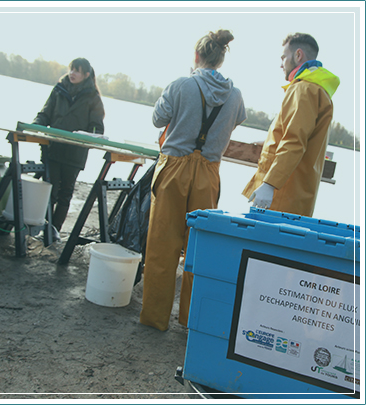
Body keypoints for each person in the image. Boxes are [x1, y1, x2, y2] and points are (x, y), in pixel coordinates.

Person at [140, 29, 247, 331]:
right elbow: (235, 120)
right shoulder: (236, 95)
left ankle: (155, 318)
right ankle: (190, 319)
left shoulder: (181, 85)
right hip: (208, 172)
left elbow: (158, 119)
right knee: (199, 249)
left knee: (163, 244)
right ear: (222, 58)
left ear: (197, 56)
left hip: (174, 168)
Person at [243, 33, 340, 217]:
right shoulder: (317, 90)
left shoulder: (304, 89)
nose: (281, 64)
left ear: (298, 55)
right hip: (295, 195)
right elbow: (300, 135)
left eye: (283, 57)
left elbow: (295, 141)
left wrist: (270, 184)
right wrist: (270, 141)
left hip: (282, 196)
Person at [32, 58, 105, 237]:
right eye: (71, 69)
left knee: (65, 192)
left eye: (77, 71)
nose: (72, 73)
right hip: (53, 148)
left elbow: (97, 127)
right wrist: (34, 126)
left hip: (75, 153)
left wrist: (89, 135)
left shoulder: (93, 97)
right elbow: (45, 114)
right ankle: (40, 226)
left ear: (86, 75)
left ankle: (53, 230)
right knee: (50, 189)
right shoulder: (59, 90)